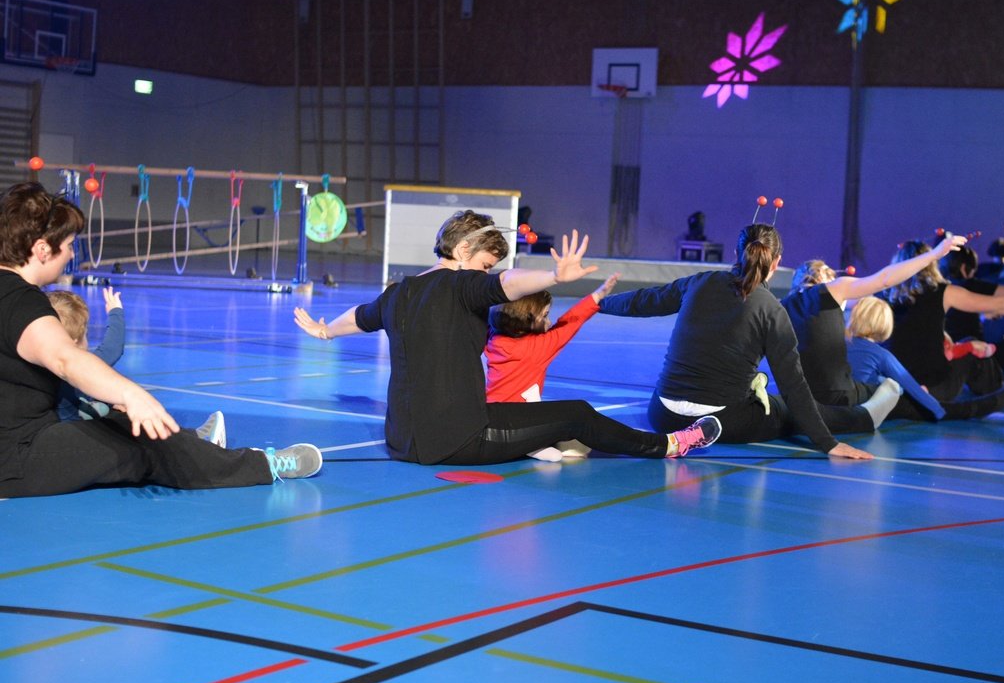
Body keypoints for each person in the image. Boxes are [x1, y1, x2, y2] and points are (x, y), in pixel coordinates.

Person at [293, 211, 720, 464]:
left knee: (518, 414)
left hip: (402, 441)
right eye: (484, 263)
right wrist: (553, 277)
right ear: (463, 252)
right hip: (458, 440)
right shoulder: (463, 284)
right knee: (575, 413)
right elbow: (509, 283)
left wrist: (325, 330)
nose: (487, 272)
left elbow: (360, 317)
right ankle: (668, 444)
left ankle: (537, 443)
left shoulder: (398, 293)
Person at [0, 182, 320, 499]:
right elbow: (64, 358)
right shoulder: (21, 301)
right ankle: (264, 465)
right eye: (69, 245)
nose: (72, 254)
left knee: (122, 421)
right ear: (42, 249)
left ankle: (193, 443)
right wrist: (132, 393)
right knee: (144, 445)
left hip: (19, 447)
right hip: (18, 459)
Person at [597, 223, 873, 459]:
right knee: (786, 408)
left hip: (663, 416)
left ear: (735, 253)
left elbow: (645, 301)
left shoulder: (700, 282)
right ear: (776, 263)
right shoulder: (772, 310)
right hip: (723, 422)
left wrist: (598, 302)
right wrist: (829, 444)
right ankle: (868, 416)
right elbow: (794, 386)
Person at [786, 234, 1004, 420]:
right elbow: (884, 279)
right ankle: (952, 408)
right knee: (895, 389)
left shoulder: (784, 305)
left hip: (797, 398)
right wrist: (934, 254)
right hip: (837, 400)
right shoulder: (834, 291)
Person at [884, 239, 1004, 403]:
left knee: (968, 344)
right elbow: (1001, 304)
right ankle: (996, 393)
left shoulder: (884, 295)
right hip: (935, 388)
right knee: (975, 351)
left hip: (895, 386)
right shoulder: (945, 292)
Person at [485, 273, 620, 461]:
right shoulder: (537, 348)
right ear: (526, 318)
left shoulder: (493, 338)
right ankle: (527, 446)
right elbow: (570, 322)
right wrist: (598, 295)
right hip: (519, 422)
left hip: (489, 416)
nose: (549, 322)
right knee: (560, 450)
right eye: (545, 316)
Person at [845, 297, 946, 421]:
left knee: (881, 379)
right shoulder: (881, 355)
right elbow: (910, 384)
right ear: (885, 324)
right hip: (862, 411)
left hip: (836, 404)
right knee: (895, 386)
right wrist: (938, 410)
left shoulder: (839, 343)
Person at [47, 287, 125, 420]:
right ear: (74, 342)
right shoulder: (77, 365)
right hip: (70, 426)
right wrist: (115, 312)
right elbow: (112, 348)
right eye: (86, 334)